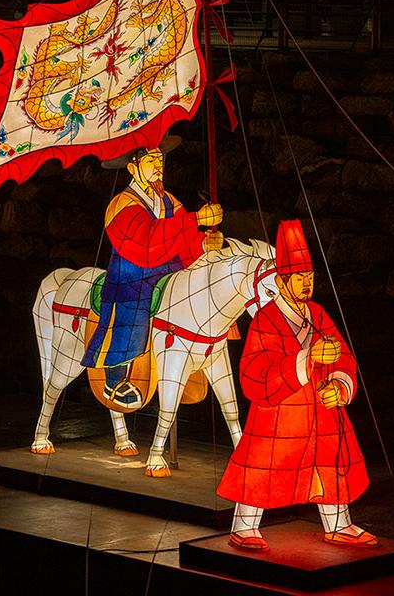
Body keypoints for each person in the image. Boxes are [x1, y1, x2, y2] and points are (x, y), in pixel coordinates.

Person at [217, 220, 374, 552]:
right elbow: (254, 371)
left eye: (310, 277)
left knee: (331, 462)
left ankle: (339, 523)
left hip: (320, 410)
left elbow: (343, 354)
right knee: (262, 467)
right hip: (280, 412)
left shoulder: (317, 313)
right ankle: (244, 526)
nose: (306, 284)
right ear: (281, 281)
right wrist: (305, 359)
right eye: (299, 278)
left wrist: (339, 383)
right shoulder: (266, 319)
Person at [81, 136, 223, 409]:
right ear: (133, 169)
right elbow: (145, 240)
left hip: (170, 266)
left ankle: (193, 363)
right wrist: (196, 219)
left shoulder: (169, 200)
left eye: (160, 159)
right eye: (150, 160)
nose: (158, 165)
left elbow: (186, 239)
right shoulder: (121, 203)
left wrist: (205, 243)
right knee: (131, 307)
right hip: (134, 269)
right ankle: (116, 378)